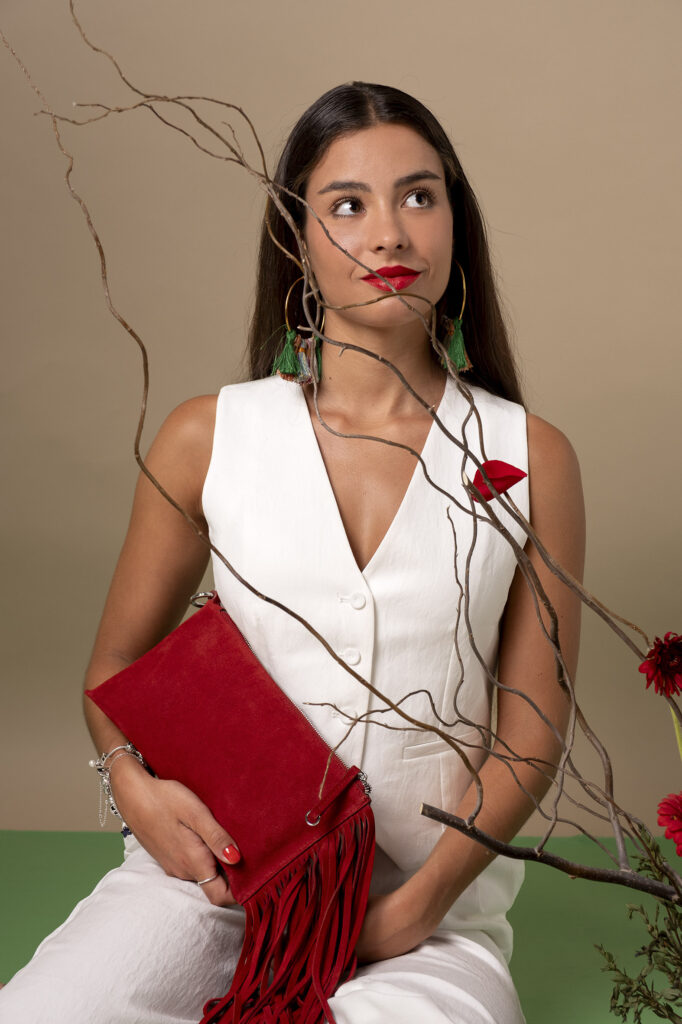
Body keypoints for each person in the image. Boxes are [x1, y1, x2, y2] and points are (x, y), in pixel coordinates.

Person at [0, 81, 584, 1023]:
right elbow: (112, 668)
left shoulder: (529, 458)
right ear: (296, 239)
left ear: (454, 223)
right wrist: (132, 793)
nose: (390, 233)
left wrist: (418, 907)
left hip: (422, 917)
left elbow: (532, 730)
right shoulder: (207, 436)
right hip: (207, 887)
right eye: (348, 205)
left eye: (419, 196)